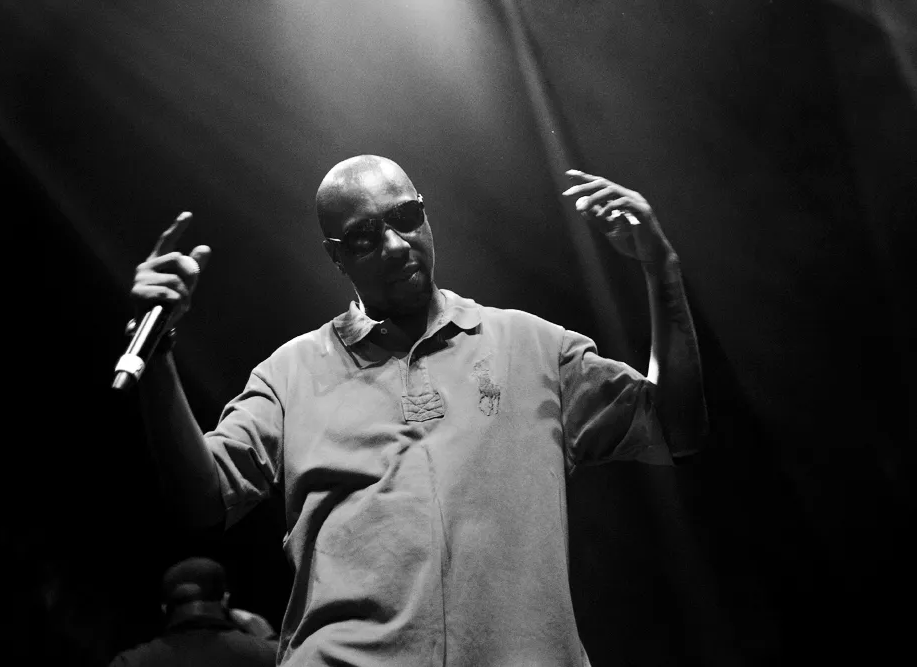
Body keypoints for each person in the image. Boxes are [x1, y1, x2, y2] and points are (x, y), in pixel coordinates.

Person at [130, 155, 707, 666]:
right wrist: (157, 353)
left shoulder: (532, 346)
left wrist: (662, 270)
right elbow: (203, 500)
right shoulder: (291, 373)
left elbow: (676, 429)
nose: (396, 244)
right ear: (336, 256)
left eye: (406, 217)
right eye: (364, 236)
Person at [107, 557, 278, 666]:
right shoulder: (269, 655)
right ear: (224, 600)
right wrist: (271, 639)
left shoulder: (130, 662)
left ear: (164, 609)